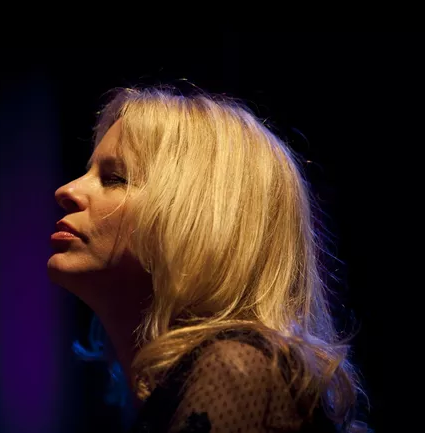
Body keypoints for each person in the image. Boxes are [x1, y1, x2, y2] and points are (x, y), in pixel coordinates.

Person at [47, 86, 370, 432]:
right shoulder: (192, 382)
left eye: (114, 178)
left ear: (201, 219)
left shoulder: (236, 369)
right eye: (89, 172)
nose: (66, 190)